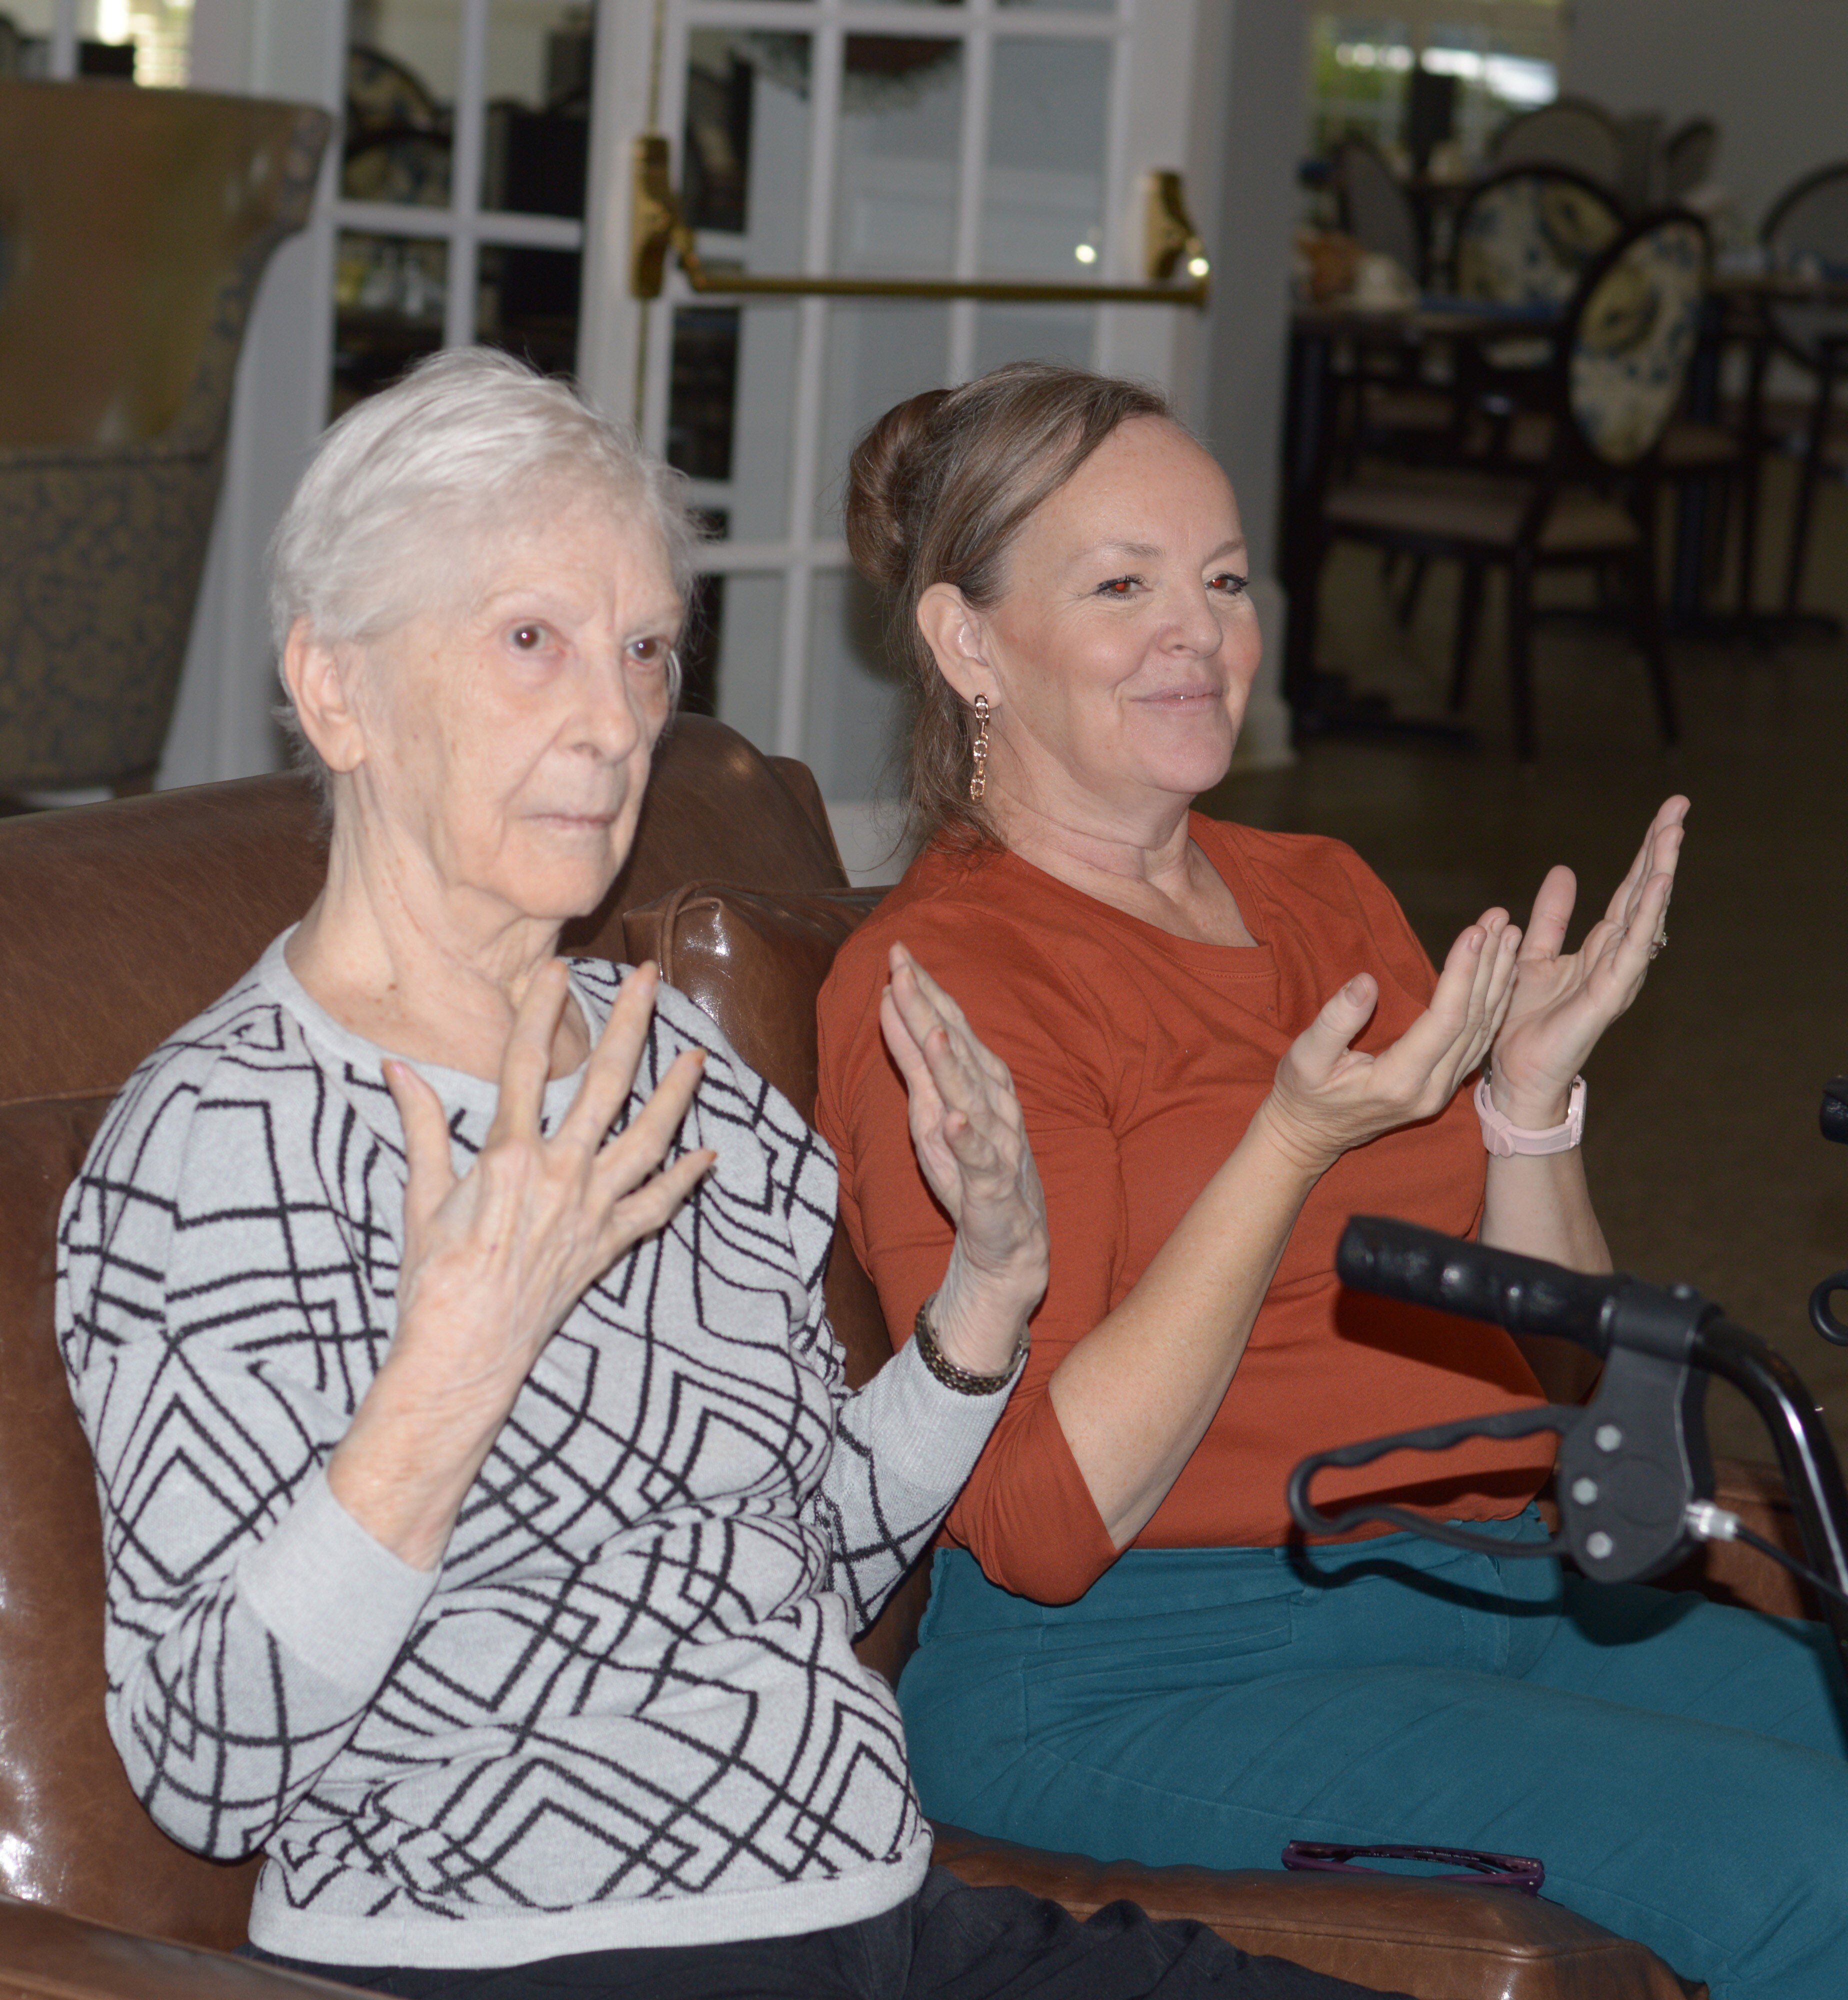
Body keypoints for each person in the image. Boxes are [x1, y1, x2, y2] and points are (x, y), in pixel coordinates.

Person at [56, 350, 1396, 2000]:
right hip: (521, 1961)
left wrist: (986, 1302)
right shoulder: (222, 1138)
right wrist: (449, 1377)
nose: (616, 722)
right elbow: (204, 1763)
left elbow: (801, 1562)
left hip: (881, 1916)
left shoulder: (676, 1069)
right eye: (531, 640)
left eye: (645, 650)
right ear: (336, 691)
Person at [814, 361, 1848, 2000]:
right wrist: (1287, 1146)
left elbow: (1556, 1364)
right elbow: (1042, 1524)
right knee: (1818, 1867)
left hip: (1492, 1577)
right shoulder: (944, 981)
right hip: (1143, 1669)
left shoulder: (1321, 889)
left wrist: (1529, 1109)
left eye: (1226, 582)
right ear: (966, 644)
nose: (1201, 634)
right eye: (1123, 587)